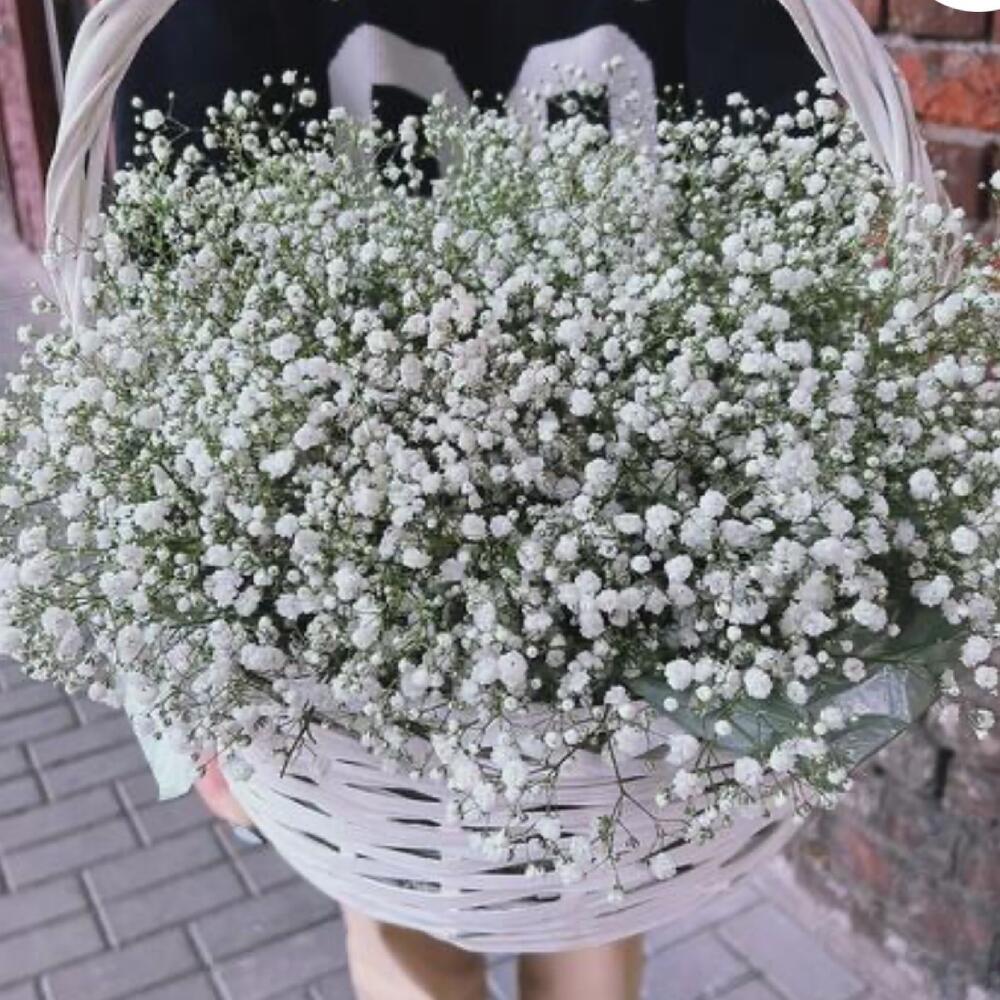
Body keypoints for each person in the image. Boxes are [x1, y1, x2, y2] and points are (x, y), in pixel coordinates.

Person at [121, 3, 820, 997]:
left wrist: (192, 679)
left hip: (361, 548)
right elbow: (800, 182)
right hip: (619, 517)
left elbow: (166, 287)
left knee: (434, 896)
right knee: (577, 892)